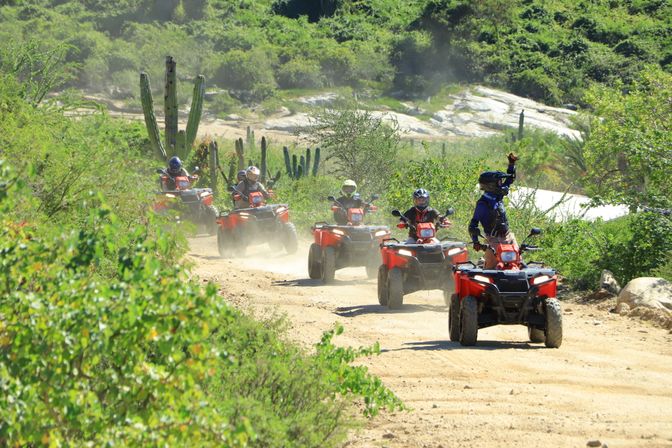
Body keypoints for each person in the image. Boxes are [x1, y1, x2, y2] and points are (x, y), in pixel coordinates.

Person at [468, 152, 519, 269]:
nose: (503, 185)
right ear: (491, 186)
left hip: (508, 237)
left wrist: (511, 163)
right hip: (493, 241)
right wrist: (476, 242)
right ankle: (482, 263)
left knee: (518, 262)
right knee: (492, 268)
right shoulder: (482, 204)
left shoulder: (498, 197)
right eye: (499, 183)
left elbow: (510, 179)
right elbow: (473, 225)